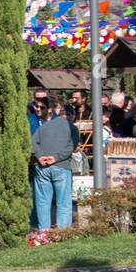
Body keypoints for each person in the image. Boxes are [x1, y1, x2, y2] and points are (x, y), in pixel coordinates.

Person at [32, 98, 76, 231]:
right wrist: (56, 158)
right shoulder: (72, 128)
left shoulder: (43, 127)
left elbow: (33, 143)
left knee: (42, 202)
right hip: (61, 166)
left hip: (42, 168)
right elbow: (71, 148)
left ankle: (43, 233)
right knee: (63, 202)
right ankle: (62, 233)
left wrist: (40, 157)